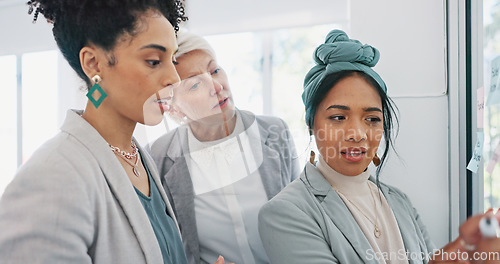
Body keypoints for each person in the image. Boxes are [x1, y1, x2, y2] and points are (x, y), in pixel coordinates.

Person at [0, 1, 228, 264]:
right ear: (94, 64)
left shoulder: (140, 160)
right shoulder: (51, 177)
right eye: (154, 61)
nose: (174, 79)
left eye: (172, 60)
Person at [258, 29, 447, 264]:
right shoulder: (286, 213)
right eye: (338, 117)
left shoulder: (400, 202)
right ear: (311, 124)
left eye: (372, 119)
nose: (357, 134)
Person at [148, 30, 300, 264]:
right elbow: (166, 248)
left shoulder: (275, 132)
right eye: (195, 84)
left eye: (215, 70)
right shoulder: (157, 157)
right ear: (173, 108)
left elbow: (302, 223)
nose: (216, 86)